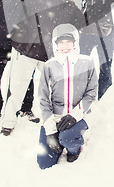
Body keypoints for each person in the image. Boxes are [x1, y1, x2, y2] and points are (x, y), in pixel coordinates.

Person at [0, 0, 85, 136]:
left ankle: (59, 120)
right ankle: (8, 123)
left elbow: (82, 23)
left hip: (49, 53)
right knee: (17, 88)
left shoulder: (66, 1)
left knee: (57, 90)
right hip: (28, 48)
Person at [37, 23, 97, 169]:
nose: (65, 46)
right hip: (56, 117)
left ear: (75, 42)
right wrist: (51, 131)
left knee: (67, 138)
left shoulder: (87, 62)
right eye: (61, 42)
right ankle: (59, 138)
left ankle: (73, 148)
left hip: (79, 116)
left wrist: (75, 115)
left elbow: (91, 93)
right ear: (55, 44)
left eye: (68, 42)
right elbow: (43, 98)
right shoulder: (49, 65)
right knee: (44, 164)